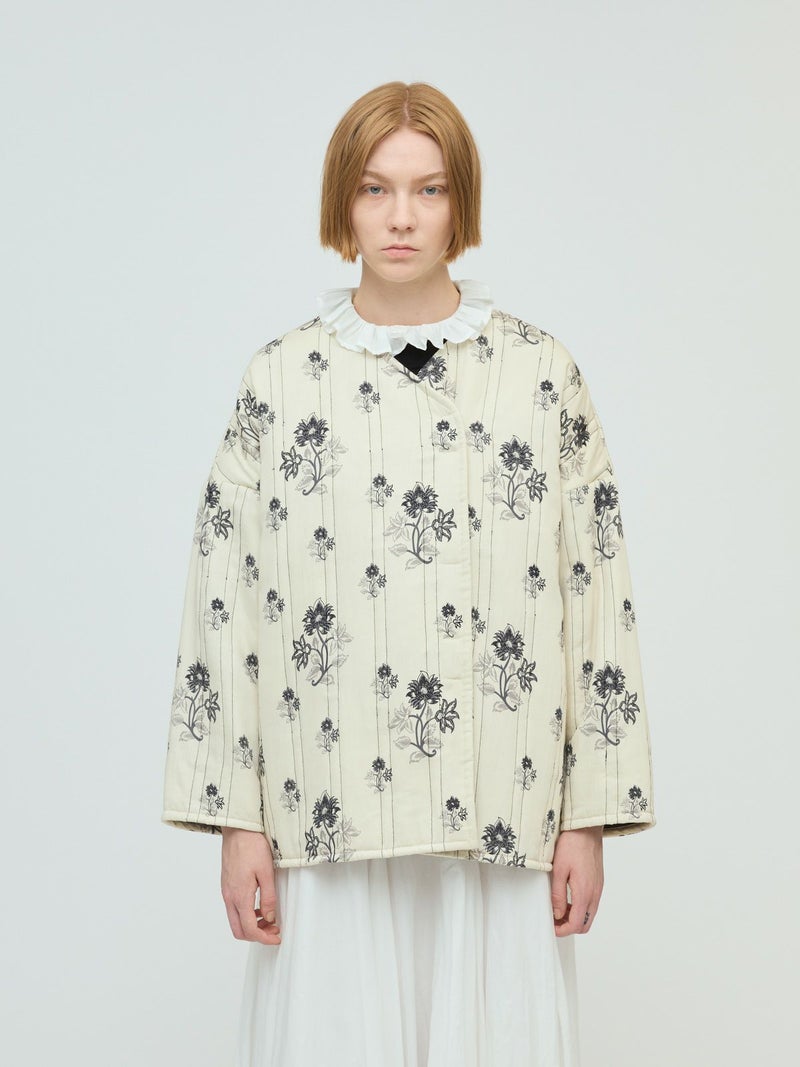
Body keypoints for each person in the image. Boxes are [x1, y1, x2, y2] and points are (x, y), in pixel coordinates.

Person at [161, 80, 656, 1067]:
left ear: (459, 202)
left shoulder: (541, 376)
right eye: (375, 188)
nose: (400, 217)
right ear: (341, 202)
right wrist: (236, 819)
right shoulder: (279, 379)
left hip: (502, 811)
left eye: (428, 189)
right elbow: (223, 601)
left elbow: (596, 593)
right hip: (325, 807)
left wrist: (590, 815)